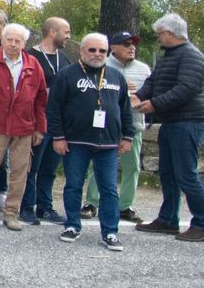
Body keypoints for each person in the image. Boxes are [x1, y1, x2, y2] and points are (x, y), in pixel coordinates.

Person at [47, 33, 134, 251]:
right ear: (82, 51)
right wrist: (58, 136)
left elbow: (125, 110)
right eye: (92, 50)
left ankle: (110, 232)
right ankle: (73, 225)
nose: (97, 54)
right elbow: (54, 108)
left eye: (102, 51)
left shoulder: (116, 76)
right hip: (76, 142)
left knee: (109, 190)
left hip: (108, 144)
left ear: (107, 52)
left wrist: (128, 136)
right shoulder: (67, 74)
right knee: (74, 186)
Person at [134, 13, 204, 242]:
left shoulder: (192, 56)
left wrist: (155, 104)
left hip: (188, 122)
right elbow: (153, 82)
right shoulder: (170, 56)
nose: (157, 38)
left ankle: (201, 223)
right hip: (171, 121)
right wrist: (138, 96)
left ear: (170, 33)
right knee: (168, 173)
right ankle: (168, 219)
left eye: (159, 34)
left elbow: (187, 88)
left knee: (186, 174)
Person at [0, 23, 47, 231]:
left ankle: (11, 213)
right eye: (10, 40)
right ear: (3, 40)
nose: (13, 44)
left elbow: (41, 99)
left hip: (24, 126)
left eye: (18, 41)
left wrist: (39, 128)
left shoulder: (33, 64)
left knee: (19, 172)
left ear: (24, 43)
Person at [83, 31, 151, 223]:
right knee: (98, 165)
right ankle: (91, 203)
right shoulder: (101, 65)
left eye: (133, 44)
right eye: (126, 44)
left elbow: (151, 94)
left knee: (132, 167)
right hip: (105, 124)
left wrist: (138, 94)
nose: (132, 48)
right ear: (113, 47)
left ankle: (125, 206)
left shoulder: (144, 69)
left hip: (133, 124)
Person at [20, 17, 73, 225]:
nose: (68, 36)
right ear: (52, 31)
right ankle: (26, 206)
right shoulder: (30, 56)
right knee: (31, 167)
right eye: (66, 32)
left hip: (60, 123)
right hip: (37, 122)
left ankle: (45, 207)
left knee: (49, 168)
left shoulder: (65, 58)